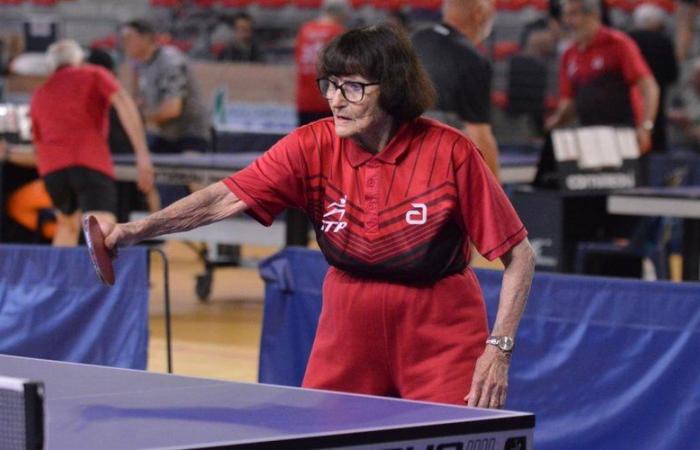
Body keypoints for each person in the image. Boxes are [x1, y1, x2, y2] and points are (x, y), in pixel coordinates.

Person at [99, 25, 536, 408]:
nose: (333, 99)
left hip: (438, 322)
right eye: (329, 84)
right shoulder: (311, 145)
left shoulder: (451, 152)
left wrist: (497, 350)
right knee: (327, 436)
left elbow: (519, 255)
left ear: (395, 87)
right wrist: (136, 230)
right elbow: (223, 199)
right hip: (348, 317)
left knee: (453, 439)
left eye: (352, 87)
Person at [29, 39, 153, 246]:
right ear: (79, 59)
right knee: (102, 228)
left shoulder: (40, 93)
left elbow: (37, 144)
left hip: (52, 170)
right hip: (88, 161)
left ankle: (60, 279)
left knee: (67, 226)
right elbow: (122, 101)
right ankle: (99, 280)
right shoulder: (94, 74)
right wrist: (142, 154)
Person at [545, 0, 659, 154]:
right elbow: (569, 103)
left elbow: (649, 88)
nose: (567, 22)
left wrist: (645, 128)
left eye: (573, 15)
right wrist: (555, 121)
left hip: (625, 135)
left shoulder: (618, 44)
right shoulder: (569, 54)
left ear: (593, 15)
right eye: (565, 16)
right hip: (589, 138)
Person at [412, 0, 501, 177]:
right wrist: (496, 194)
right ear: (479, 14)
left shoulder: (412, 40)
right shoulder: (472, 58)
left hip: (395, 163)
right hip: (437, 168)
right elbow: (479, 135)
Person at [291, 0, 351, 246]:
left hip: (303, 102)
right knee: (333, 168)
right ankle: (332, 225)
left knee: (306, 166)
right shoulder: (339, 34)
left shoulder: (305, 30)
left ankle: (303, 228)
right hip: (329, 104)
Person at [120, 19, 210, 156]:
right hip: (167, 136)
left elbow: (172, 110)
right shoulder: (140, 64)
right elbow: (137, 102)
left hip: (191, 136)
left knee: (186, 172)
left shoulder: (170, 62)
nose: (124, 43)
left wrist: (138, 117)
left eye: (128, 38)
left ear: (146, 38)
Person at [628, 3, 678, 153]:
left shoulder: (627, 39)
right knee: (657, 136)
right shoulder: (663, 41)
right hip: (658, 96)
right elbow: (672, 74)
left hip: (631, 98)